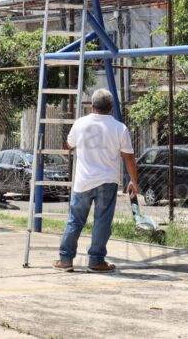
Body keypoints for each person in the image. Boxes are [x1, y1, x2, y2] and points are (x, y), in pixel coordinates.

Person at [54, 89, 139, 273]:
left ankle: (66, 260)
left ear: (92, 106)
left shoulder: (80, 124)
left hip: (83, 181)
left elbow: (68, 145)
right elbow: (129, 158)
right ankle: (96, 261)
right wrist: (133, 180)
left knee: (75, 220)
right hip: (107, 181)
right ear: (111, 108)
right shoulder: (119, 128)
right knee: (102, 222)